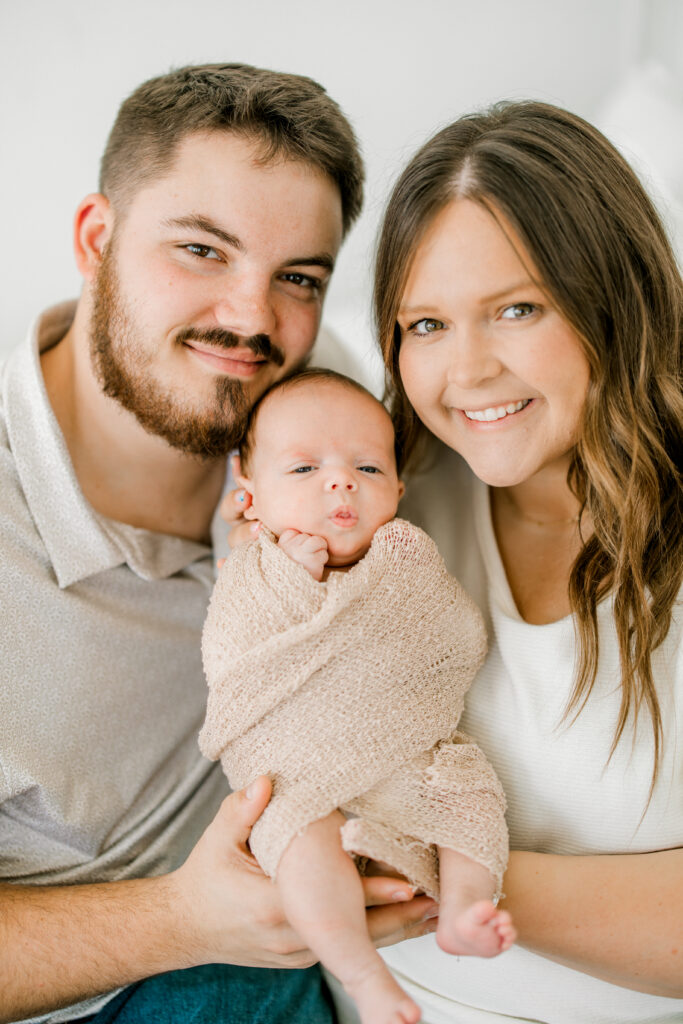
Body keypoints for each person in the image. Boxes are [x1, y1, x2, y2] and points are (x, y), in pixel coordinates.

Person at [0, 63, 439, 1024]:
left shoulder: (318, 415)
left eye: (298, 279)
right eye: (201, 250)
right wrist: (182, 922)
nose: (251, 319)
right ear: (96, 240)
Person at [365, 100, 682, 1023]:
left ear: (612, 301)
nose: (464, 372)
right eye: (423, 325)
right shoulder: (390, 500)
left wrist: (444, 875)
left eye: (515, 309)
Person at [199, 368, 515, 1024]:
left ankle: (463, 908)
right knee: (295, 838)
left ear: (397, 490)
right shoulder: (253, 570)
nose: (339, 481)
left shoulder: (405, 562)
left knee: (470, 794)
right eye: (304, 468)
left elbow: (453, 638)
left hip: (404, 757)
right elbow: (233, 659)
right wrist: (288, 584)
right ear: (249, 495)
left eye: (367, 468)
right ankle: (361, 972)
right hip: (299, 771)